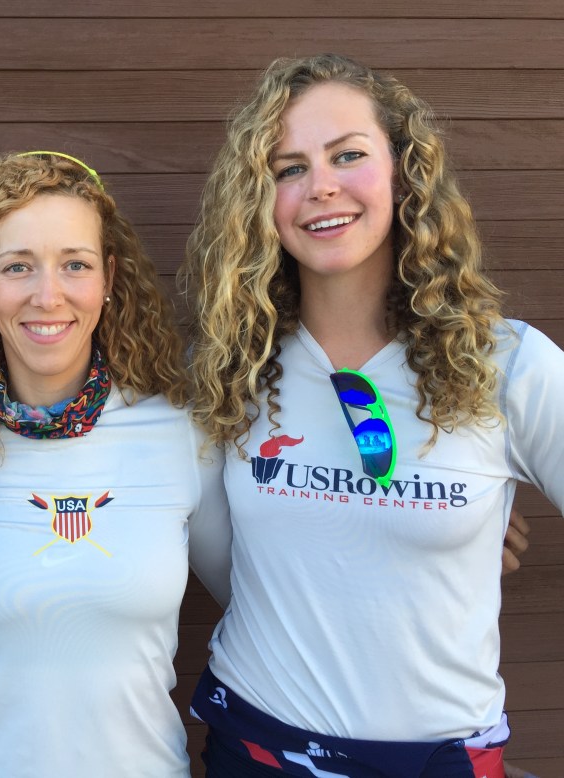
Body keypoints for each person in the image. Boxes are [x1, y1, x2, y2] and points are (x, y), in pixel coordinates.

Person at [182, 54, 564, 777]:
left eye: (348, 155)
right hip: (258, 751)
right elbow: (245, 577)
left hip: (443, 760)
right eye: (287, 167)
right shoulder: (228, 368)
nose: (320, 185)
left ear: (403, 172)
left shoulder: (509, 366)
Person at [0, 151, 233, 777]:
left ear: (108, 278)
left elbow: (266, 602)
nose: (47, 296)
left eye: (74, 265)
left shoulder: (180, 437)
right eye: (17, 266)